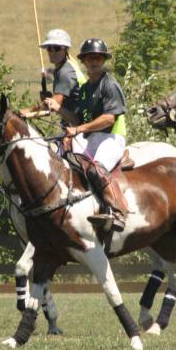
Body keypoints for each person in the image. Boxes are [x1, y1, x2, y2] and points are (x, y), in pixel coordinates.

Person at [46, 38, 129, 232]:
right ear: (83, 61)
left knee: (95, 168)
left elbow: (109, 119)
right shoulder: (85, 89)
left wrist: (78, 130)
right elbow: (77, 119)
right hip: (90, 137)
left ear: (103, 60)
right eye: (90, 58)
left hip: (111, 138)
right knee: (66, 163)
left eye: (98, 58)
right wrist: (57, 107)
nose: (94, 62)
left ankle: (117, 212)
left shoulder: (109, 85)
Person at [38, 28, 85, 113]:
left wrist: (27, 110)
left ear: (65, 49)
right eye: (49, 48)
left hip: (80, 122)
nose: (52, 52)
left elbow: (53, 105)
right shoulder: (67, 66)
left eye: (57, 48)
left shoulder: (65, 72)